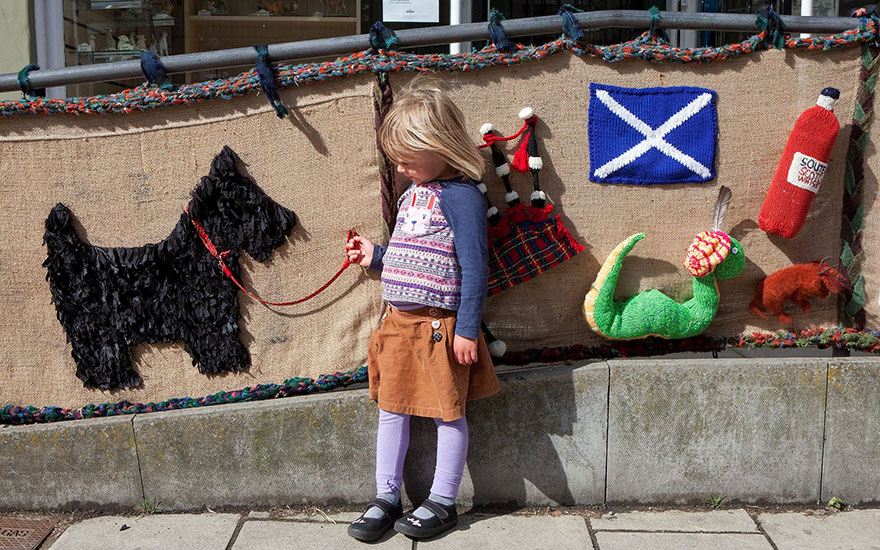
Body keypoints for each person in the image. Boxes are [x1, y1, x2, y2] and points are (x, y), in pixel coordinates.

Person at [345, 79, 501, 541]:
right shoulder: (413, 193)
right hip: (396, 325)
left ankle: (442, 501)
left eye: (408, 155)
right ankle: (386, 497)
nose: (400, 165)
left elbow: (475, 268)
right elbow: (408, 253)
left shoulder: (465, 198)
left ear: (441, 145)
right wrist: (375, 256)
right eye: (396, 156)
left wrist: (467, 330)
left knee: (447, 413)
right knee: (391, 410)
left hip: (439, 330)